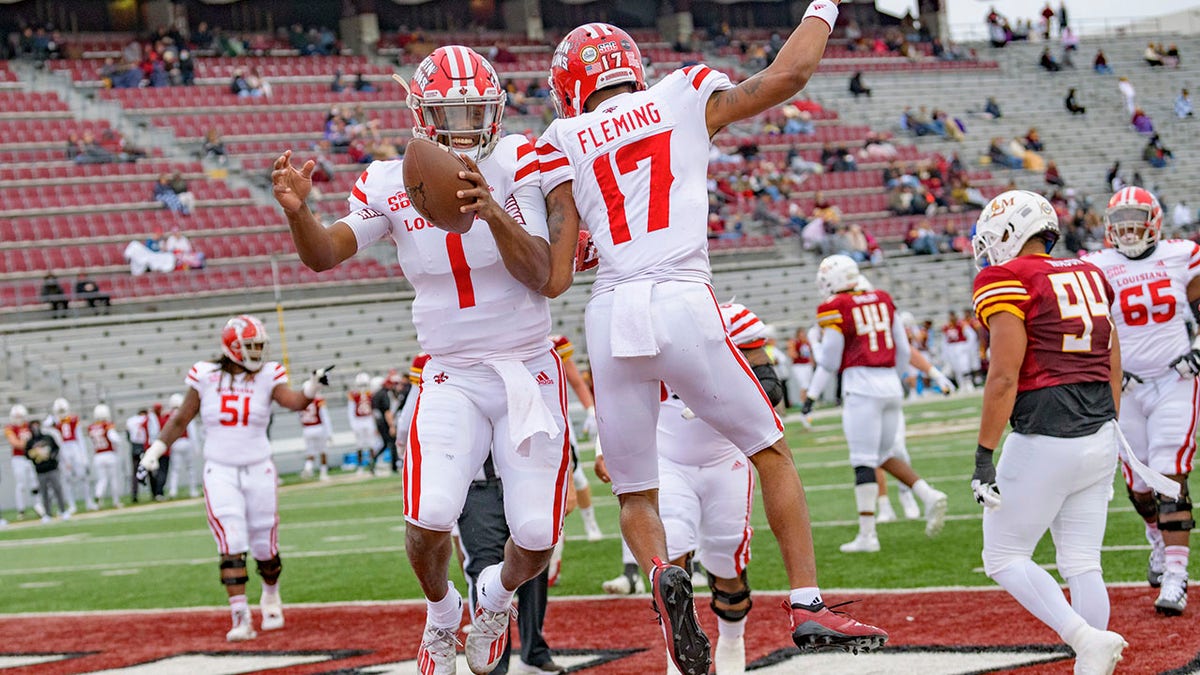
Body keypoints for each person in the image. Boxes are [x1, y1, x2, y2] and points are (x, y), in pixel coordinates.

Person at [536, 7, 887, 672]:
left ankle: (665, 573)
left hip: (610, 311)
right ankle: (808, 602)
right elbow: (792, 74)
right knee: (771, 450)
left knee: (637, 493)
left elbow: (555, 273)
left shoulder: (560, 136)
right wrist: (823, 8)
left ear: (571, 84)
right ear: (632, 69)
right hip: (680, 296)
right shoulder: (684, 91)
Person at [272, 46, 571, 674]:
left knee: (538, 536)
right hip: (449, 371)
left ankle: (493, 600)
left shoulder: (526, 160)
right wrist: (300, 214)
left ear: (496, 111)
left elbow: (544, 274)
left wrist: (490, 210)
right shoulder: (390, 181)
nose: (464, 125)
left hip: (528, 367)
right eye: (449, 111)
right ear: (420, 114)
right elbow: (325, 254)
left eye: (475, 111)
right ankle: (442, 614)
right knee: (429, 514)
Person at [969, 189, 1171, 672]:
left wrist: (983, 453)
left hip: (1045, 435)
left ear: (1011, 231)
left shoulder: (1006, 277)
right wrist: (1110, 419)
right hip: (1100, 431)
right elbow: (1113, 356)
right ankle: (1091, 662)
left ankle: (1085, 639)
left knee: (1002, 556)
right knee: (1082, 561)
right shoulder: (1090, 272)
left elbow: (1003, 376)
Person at [138, 315, 331, 641]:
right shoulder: (205, 376)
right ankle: (239, 615)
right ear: (232, 347)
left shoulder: (268, 375)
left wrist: (311, 386)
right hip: (221, 469)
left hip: (259, 468)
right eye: (251, 346)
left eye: (259, 346)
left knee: (264, 545)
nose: (257, 352)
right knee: (231, 539)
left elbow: (294, 402)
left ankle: (271, 594)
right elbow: (181, 418)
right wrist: (154, 451)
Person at [1083, 187, 1199, 615]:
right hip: (1126, 386)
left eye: (1136, 216)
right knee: (1138, 486)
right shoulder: (1095, 266)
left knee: (1170, 473)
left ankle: (1176, 574)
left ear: (1155, 219)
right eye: (1121, 218)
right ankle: (1156, 537)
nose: (1128, 227)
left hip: (1175, 378)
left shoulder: (1182, 254)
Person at [800, 255, 948, 553]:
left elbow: (829, 361)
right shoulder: (882, 297)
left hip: (861, 385)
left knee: (862, 460)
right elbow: (902, 348)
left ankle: (868, 535)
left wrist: (812, 396)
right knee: (882, 454)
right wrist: (898, 378)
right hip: (890, 385)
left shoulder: (836, 307)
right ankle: (927, 493)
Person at [552, 333, 604, 542]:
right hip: (520, 420)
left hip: (557, 419)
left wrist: (591, 410)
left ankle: (590, 522)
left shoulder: (554, 344)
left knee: (576, 474)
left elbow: (576, 381)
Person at [45, 398, 96, 513]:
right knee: (66, 479)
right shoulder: (53, 422)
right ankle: (71, 505)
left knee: (83, 476)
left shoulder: (73, 419)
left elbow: (80, 438)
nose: (62, 413)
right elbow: (46, 425)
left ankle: (89, 501)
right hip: (63, 449)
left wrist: (84, 457)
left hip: (74, 447)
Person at [5, 405, 45, 520]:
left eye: (20, 416)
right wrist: (29, 445)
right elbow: (14, 442)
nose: (18, 419)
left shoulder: (29, 426)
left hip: (30, 458)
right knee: (21, 485)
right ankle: (21, 510)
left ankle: (38, 505)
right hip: (18, 458)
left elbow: (37, 440)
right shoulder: (10, 428)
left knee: (35, 483)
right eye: (16, 416)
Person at [25, 420, 68, 522]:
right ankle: (47, 514)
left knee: (58, 490)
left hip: (52, 468)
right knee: (44, 493)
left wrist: (51, 457)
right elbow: (27, 454)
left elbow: (56, 449)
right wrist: (36, 454)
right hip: (40, 470)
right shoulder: (30, 442)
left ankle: (63, 511)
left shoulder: (48, 438)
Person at [163, 393, 201, 499]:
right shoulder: (186, 413)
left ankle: (173, 490)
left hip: (175, 443)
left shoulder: (168, 415)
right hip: (186, 442)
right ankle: (193, 490)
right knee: (191, 468)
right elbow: (192, 431)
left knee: (175, 469)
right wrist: (196, 447)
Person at [88, 405, 123, 509]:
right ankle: (116, 501)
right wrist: (119, 442)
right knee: (113, 479)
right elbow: (114, 438)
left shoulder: (91, 427)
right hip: (109, 454)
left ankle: (98, 496)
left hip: (98, 455)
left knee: (102, 479)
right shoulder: (107, 425)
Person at [125, 407, 159, 503]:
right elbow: (153, 432)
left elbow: (128, 436)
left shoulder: (130, 420)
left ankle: (134, 495)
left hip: (135, 448)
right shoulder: (147, 419)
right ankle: (154, 493)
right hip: (145, 447)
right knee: (150, 471)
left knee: (135, 473)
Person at [346, 372, 377, 474]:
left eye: (364, 385)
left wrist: (374, 422)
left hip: (368, 419)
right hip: (358, 420)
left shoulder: (371, 394)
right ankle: (360, 467)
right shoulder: (354, 395)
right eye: (361, 385)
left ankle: (373, 466)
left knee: (372, 444)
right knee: (359, 445)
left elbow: (373, 409)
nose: (363, 387)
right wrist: (353, 424)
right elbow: (351, 410)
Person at [299, 393, 333, 481]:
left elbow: (300, 417)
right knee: (323, 451)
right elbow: (325, 417)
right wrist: (329, 433)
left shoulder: (301, 402)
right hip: (318, 427)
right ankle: (323, 473)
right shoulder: (318, 401)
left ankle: (308, 468)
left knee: (310, 452)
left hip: (307, 429)